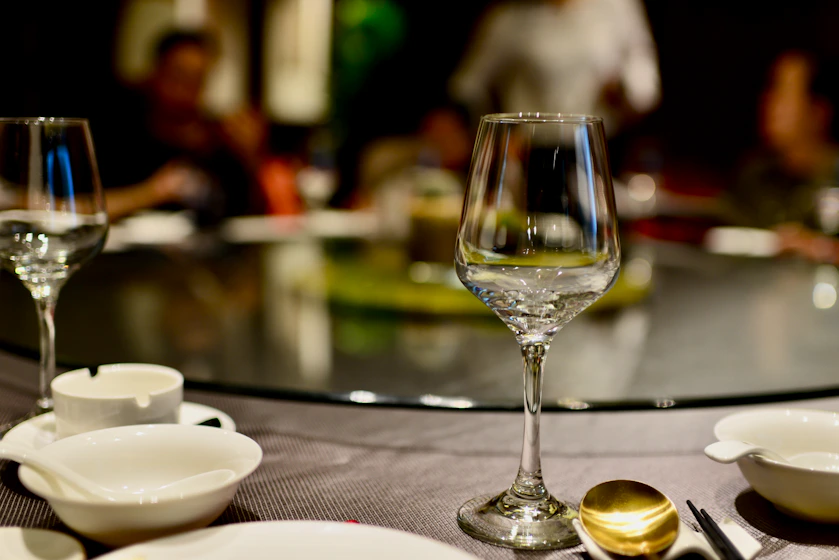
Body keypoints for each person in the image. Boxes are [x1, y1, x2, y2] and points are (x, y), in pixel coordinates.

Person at [93, 29, 267, 222]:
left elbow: (255, 216)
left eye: (197, 79)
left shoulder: (217, 138)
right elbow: (71, 210)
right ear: (156, 72)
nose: (186, 90)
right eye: (178, 76)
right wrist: (153, 192)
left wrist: (251, 159)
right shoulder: (117, 130)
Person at [449, 0, 660, 139]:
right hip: (531, 150)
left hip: (596, 147)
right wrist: (492, 137)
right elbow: (467, 86)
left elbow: (643, 76)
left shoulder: (617, 7)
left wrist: (624, 90)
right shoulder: (509, 18)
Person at [728, 51, 839, 263]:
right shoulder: (756, 175)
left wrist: (821, 248)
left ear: (818, 112)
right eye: (769, 90)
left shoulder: (834, 177)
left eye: (783, 92)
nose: (769, 102)